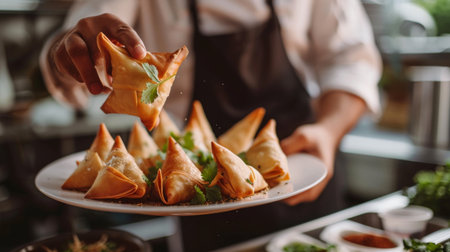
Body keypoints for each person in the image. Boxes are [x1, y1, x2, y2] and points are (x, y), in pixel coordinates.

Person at [40, 0, 381, 251]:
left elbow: (352, 59)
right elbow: (75, 42)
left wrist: (329, 130)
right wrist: (72, 53)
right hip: (195, 194)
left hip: (301, 163)